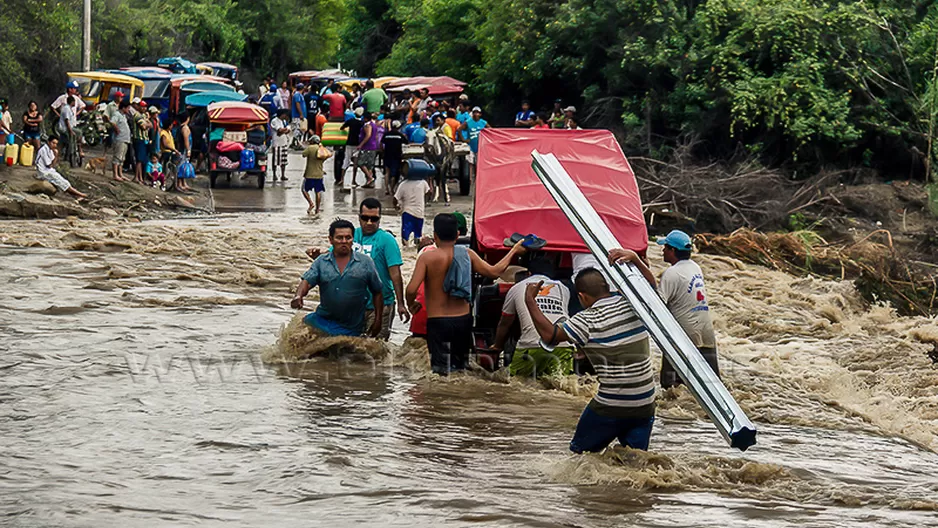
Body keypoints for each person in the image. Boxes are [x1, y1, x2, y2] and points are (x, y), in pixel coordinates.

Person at [525, 267, 656, 453]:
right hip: (646, 402)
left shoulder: (586, 320)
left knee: (581, 455)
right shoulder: (630, 303)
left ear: (582, 296)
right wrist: (635, 260)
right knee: (634, 459)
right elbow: (651, 286)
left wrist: (530, 300)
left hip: (612, 404)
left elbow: (550, 335)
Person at [406, 214, 526, 375]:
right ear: (457, 235)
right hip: (463, 321)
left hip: (438, 322)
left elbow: (411, 289)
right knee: (460, 370)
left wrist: (411, 304)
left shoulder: (427, 258)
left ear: (435, 236)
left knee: (441, 373)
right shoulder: (468, 255)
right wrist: (514, 250)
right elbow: (494, 271)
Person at [611, 230, 719, 389]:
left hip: (684, 336)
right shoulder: (695, 268)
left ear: (673, 251)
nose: (662, 250)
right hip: (706, 332)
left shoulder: (671, 273)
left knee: (671, 387)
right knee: (712, 385)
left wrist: (636, 261)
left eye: (666, 247)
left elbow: (656, 304)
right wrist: (643, 267)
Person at [306, 198, 410, 341]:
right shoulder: (350, 236)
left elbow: (395, 274)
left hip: (380, 305)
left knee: (375, 348)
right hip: (353, 308)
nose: (369, 222)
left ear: (379, 219)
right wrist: (317, 256)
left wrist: (401, 304)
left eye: (373, 219)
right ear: (359, 217)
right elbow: (331, 260)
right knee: (351, 349)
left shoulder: (386, 240)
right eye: (365, 218)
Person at [292, 219, 384, 338]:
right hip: (322, 321)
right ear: (330, 240)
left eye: (348, 238)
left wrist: (378, 320)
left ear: (353, 239)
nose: (344, 242)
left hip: (352, 327)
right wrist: (298, 296)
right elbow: (307, 281)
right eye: (339, 238)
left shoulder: (365, 263)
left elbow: (377, 292)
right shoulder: (321, 262)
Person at [492, 255, 574, 378]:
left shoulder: (517, 287)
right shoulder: (563, 288)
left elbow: (505, 323)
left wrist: (497, 346)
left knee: (516, 385)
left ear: (528, 273)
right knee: (562, 386)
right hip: (564, 345)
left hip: (530, 346)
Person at [394, 171, 431, 246]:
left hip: (407, 213)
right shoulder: (423, 183)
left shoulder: (403, 184)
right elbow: (430, 192)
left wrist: (396, 207)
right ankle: (416, 252)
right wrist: (425, 201)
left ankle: (406, 251)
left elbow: (395, 199)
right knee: (418, 236)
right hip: (419, 214)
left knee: (405, 237)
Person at [301, 135, 331, 215]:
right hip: (319, 174)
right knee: (318, 192)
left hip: (309, 174)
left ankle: (311, 203)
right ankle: (317, 209)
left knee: (304, 190)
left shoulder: (310, 148)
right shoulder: (321, 149)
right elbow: (328, 155)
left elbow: (303, 154)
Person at [460, 107, 487, 180]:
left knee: (479, 163)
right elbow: (459, 129)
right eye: (474, 112)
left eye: (477, 112)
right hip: (471, 145)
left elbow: (491, 130)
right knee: (470, 163)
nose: (476, 114)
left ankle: (479, 178)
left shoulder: (483, 122)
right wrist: (463, 139)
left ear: (480, 114)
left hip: (481, 146)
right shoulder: (468, 122)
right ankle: (470, 178)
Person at [382, 120, 408, 195]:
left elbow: (381, 143)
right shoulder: (400, 135)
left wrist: (382, 152)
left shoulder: (386, 134)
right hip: (396, 156)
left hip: (387, 155)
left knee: (387, 172)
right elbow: (406, 142)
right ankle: (392, 189)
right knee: (394, 174)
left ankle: (386, 189)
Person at [339, 107, 364, 186]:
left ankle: (342, 179)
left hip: (349, 143)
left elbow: (342, 127)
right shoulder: (362, 123)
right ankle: (353, 180)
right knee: (355, 163)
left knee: (346, 161)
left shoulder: (350, 121)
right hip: (358, 145)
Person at [356, 112, 381, 188]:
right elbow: (376, 136)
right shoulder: (374, 125)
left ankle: (370, 178)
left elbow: (368, 135)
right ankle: (369, 182)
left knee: (360, 163)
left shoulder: (367, 125)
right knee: (369, 165)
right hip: (373, 146)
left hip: (367, 147)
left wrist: (361, 144)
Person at [111, 100, 132, 182]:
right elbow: (112, 122)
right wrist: (116, 129)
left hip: (125, 139)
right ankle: (115, 174)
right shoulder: (117, 114)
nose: (129, 110)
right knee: (117, 157)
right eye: (128, 108)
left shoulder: (123, 116)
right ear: (123, 108)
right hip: (120, 139)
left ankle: (120, 174)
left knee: (122, 158)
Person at [131, 102, 152, 184]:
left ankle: (140, 177)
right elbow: (144, 126)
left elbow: (150, 125)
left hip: (144, 139)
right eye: (142, 107)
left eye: (145, 107)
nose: (144, 108)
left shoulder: (144, 116)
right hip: (139, 139)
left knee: (142, 159)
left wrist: (147, 123)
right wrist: (147, 124)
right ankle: (137, 177)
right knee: (139, 159)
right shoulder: (137, 115)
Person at [174, 112, 194, 192]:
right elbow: (186, 140)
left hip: (181, 149)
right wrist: (188, 150)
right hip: (183, 150)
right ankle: (179, 184)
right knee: (181, 167)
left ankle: (183, 183)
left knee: (183, 167)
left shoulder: (180, 127)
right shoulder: (185, 128)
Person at [56, 96, 78, 166]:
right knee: (62, 144)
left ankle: (65, 156)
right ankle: (57, 158)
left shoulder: (69, 108)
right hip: (64, 129)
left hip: (67, 128)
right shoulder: (66, 109)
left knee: (64, 143)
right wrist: (70, 131)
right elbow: (66, 120)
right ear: (72, 102)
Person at [270, 109, 291, 182]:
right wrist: (285, 130)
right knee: (275, 159)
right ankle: (274, 174)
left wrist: (284, 130)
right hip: (276, 143)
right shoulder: (274, 121)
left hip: (284, 142)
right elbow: (280, 130)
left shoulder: (284, 121)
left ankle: (283, 174)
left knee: (283, 161)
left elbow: (285, 130)